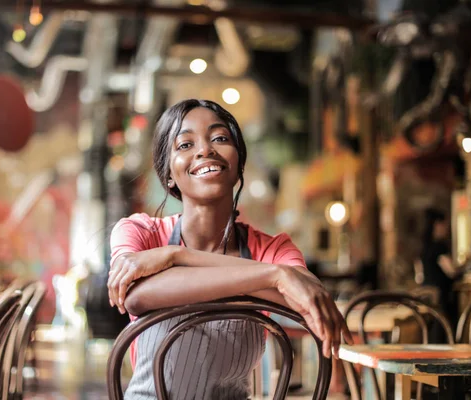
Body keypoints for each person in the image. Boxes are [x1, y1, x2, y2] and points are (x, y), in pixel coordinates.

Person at [107, 99, 351, 399]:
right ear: (168, 173)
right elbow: (136, 296)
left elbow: (306, 300)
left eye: (220, 138)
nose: (204, 150)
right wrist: (272, 277)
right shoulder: (139, 232)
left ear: (238, 165)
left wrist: (175, 258)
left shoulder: (272, 249)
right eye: (185, 145)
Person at [420, 208, 463, 326]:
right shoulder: (439, 247)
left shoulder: (425, 246)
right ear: (437, 225)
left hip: (428, 296)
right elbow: (452, 272)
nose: (447, 228)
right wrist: (466, 267)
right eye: (444, 225)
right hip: (441, 299)